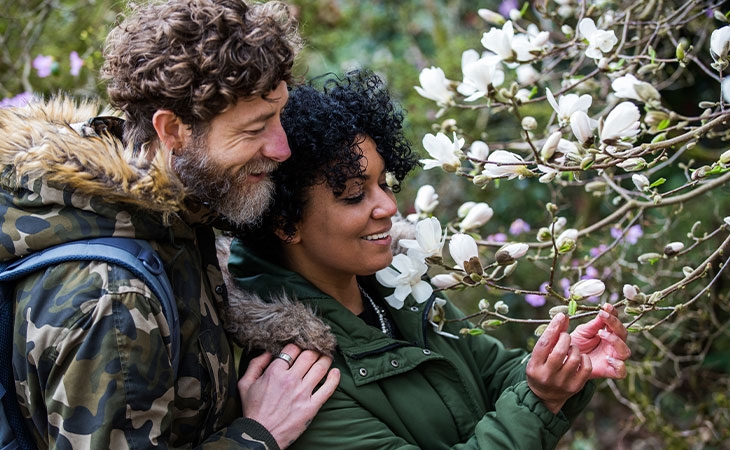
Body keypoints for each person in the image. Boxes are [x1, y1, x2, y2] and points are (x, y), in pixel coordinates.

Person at [224, 69, 632, 449]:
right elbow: (528, 401)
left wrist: (562, 367)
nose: (386, 205)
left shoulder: (400, 285)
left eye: (384, 183)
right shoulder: (299, 377)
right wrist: (540, 398)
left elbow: (493, 373)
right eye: (353, 195)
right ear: (285, 223)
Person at [0, 0, 340, 448]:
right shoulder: (114, 300)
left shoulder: (167, 216)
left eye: (278, 116)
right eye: (255, 128)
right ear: (173, 130)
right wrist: (258, 435)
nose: (281, 148)